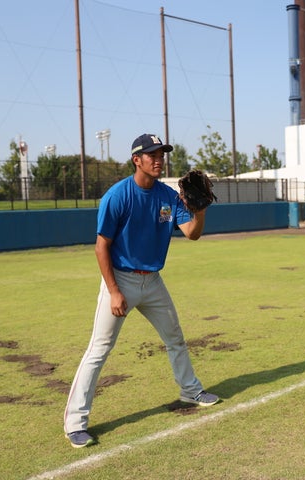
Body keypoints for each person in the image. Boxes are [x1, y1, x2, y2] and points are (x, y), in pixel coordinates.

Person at [63, 133, 220, 448]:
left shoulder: (168, 196)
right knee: (99, 349)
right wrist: (114, 290)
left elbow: (192, 233)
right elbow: (100, 247)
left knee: (174, 337)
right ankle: (75, 423)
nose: (158, 158)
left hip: (153, 282)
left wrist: (199, 209)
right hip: (121, 279)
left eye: (162, 153)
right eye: (152, 154)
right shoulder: (118, 196)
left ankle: (190, 389)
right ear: (137, 160)